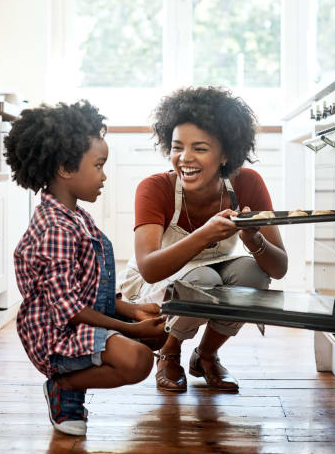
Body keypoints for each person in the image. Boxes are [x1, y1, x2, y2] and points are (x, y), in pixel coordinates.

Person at [4, 101, 166, 436]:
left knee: (160, 333)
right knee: (139, 361)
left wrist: (132, 311)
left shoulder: (76, 216)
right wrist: (131, 331)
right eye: (99, 165)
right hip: (57, 336)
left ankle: (77, 378)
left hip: (80, 319)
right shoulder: (55, 230)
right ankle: (64, 388)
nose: (104, 175)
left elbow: (89, 289)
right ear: (65, 167)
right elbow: (71, 309)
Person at [118, 87, 288, 393]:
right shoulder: (154, 188)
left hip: (215, 267)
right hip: (158, 278)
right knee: (201, 276)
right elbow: (149, 268)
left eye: (200, 148)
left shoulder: (247, 182)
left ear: (225, 154)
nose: (185, 158)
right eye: (177, 147)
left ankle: (206, 356)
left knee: (252, 272)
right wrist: (204, 234)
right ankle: (169, 353)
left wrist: (253, 239)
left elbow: (278, 268)